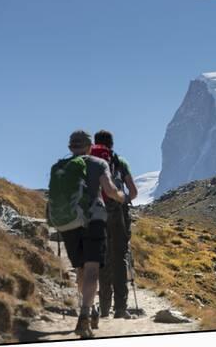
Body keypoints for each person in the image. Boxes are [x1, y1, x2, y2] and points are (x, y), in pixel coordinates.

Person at [58, 130, 126, 338]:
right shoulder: (99, 163)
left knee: (80, 268)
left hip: (70, 223)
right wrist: (121, 197)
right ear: (90, 146)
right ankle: (86, 314)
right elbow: (111, 190)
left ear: (70, 147)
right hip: (94, 218)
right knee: (92, 269)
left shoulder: (60, 166)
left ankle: (91, 305)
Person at [93, 130, 138, 319]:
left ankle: (104, 309)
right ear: (111, 144)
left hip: (95, 214)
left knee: (103, 260)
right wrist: (124, 199)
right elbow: (133, 191)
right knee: (119, 259)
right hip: (117, 214)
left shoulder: (89, 161)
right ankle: (120, 309)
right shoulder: (119, 161)